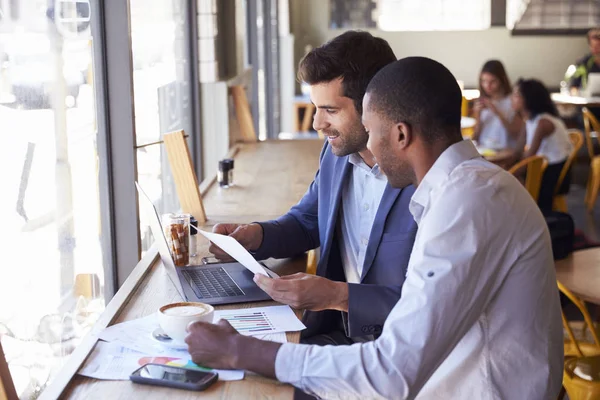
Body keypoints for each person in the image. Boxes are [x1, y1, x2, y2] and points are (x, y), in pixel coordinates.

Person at [186, 57, 563, 399]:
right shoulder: (464, 189)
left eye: (370, 131)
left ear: (400, 135)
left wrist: (242, 350)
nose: (369, 150)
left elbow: (392, 372)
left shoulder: (469, 203)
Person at [209, 30, 417, 345]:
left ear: (376, 107)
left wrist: (337, 294)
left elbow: (435, 305)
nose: (316, 124)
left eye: (330, 110)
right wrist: (257, 236)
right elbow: (309, 220)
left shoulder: (426, 180)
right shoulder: (338, 154)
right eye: (315, 107)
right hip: (335, 333)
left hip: (396, 348)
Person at [512, 78, 573, 214]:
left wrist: (507, 174)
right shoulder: (529, 119)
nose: (512, 98)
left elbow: (529, 158)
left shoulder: (543, 123)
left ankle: (524, 216)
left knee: (510, 183)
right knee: (510, 175)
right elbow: (518, 151)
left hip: (554, 174)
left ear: (528, 99)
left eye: (516, 95)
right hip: (543, 168)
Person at [471, 60, 523, 149]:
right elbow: (475, 138)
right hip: (484, 151)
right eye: (484, 81)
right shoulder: (481, 102)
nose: (487, 85)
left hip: (505, 152)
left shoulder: (513, 101)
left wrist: (496, 110)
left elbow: (517, 135)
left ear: (501, 80)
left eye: (492, 81)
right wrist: (478, 116)